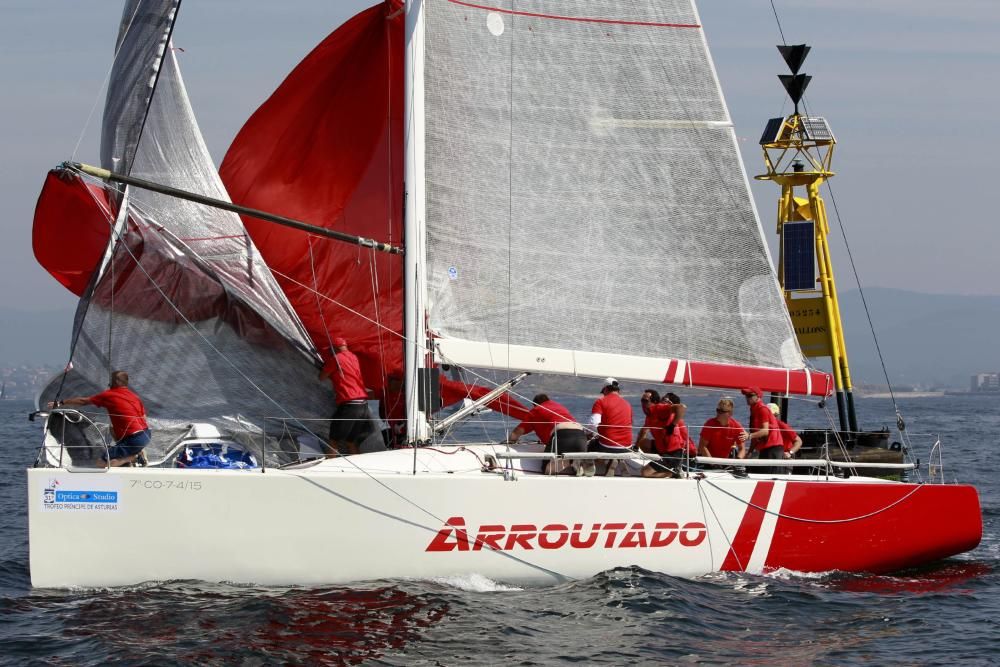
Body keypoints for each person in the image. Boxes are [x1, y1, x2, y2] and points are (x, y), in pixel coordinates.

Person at [48, 370, 151, 467]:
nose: (109, 384)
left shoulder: (109, 395)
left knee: (100, 463)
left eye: (111, 381)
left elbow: (83, 401)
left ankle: (134, 457)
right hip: (146, 435)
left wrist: (60, 403)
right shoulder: (135, 397)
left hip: (134, 439)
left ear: (116, 381)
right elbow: (144, 418)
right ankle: (131, 453)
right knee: (112, 428)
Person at [319, 337, 375, 456]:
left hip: (350, 406)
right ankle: (358, 466)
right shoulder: (354, 357)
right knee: (351, 441)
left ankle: (329, 467)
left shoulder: (336, 358)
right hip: (363, 405)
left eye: (330, 349)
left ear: (335, 348)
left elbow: (321, 377)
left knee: (334, 440)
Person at [506, 394, 586, 475]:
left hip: (562, 434)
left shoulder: (536, 410)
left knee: (546, 469)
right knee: (573, 452)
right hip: (581, 434)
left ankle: (571, 461)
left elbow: (517, 432)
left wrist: (510, 441)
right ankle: (582, 463)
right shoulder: (559, 406)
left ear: (535, 404)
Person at [587, 378, 634, 476]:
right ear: (618, 390)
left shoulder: (600, 402)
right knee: (607, 442)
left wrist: (589, 434)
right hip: (627, 446)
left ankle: (590, 469)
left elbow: (593, 425)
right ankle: (618, 461)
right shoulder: (628, 404)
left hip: (608, 446)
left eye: (603, 392)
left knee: (589, 444)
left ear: (606, 389)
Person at [642, 403, 694, 478]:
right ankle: (663, 466)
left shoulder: (674, 421)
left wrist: (672, 425)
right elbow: (644, 430)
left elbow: (682, 407)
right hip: (664, 451)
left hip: (674, 453)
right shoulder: (655, 417)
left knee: (645, 472)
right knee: (644, 443)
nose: (663, 405)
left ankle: (674, 473)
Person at [740, 386, 784, 474]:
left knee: (771, 476)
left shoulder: (762, 409)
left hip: (773, 448)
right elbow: (755, 433)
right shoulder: (754, 410)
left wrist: (749, 436)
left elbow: (765, 431)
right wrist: (750, 452)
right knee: (763, 474)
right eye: (746, 396)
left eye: (750, 395)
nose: (747, 398)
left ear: (758, 396)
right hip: (765, 448)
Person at [698, 398, 748, 465]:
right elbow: (702, 446)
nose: (718, 413)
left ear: (730, 413)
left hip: (725, 462)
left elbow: (742, 449)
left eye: (722, 411)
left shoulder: (736, 426)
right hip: (708, 461)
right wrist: (712, 463)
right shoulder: (709, 424)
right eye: (718, 410)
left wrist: (737, 461)